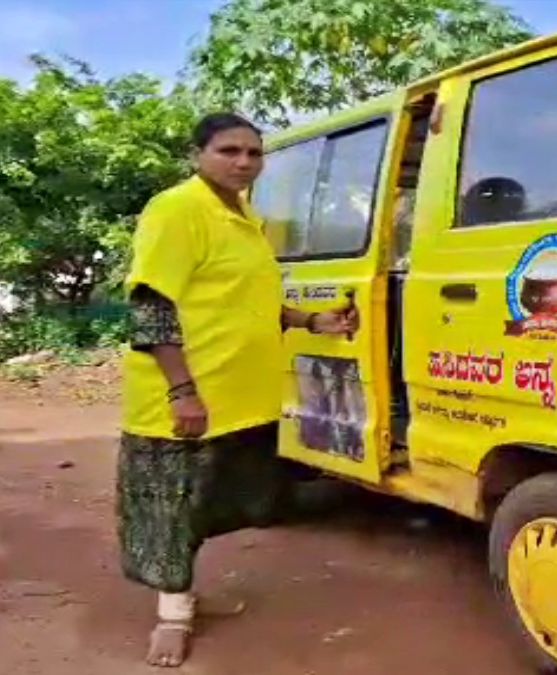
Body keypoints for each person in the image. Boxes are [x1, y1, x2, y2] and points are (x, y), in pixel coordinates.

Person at [116, 112, 359, 668]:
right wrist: (182, 391)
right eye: (229, 151)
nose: (244, 162)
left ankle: (182, 591)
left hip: (241, 394)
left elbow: (247, 302)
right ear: (198, 154)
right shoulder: (178, 209)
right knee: (170, 508)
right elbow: (152, 305)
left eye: (254, 153)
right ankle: (172, 616)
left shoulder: (246, 215)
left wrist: (310, 322)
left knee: (219, 499)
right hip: (186, 393)